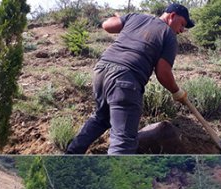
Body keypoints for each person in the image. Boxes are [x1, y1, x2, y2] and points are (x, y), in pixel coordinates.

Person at [66, 3, 195, 154]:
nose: (181, 30)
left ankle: (70, 156)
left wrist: (120, 19)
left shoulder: (136, 17)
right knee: (123, 143)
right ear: (172, 16)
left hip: (101, 72)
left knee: (101, 118)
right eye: (182, 24)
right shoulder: (168, 34)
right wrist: (176, 91)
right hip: (126, 80)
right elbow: (163, 73)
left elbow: (107, 25)